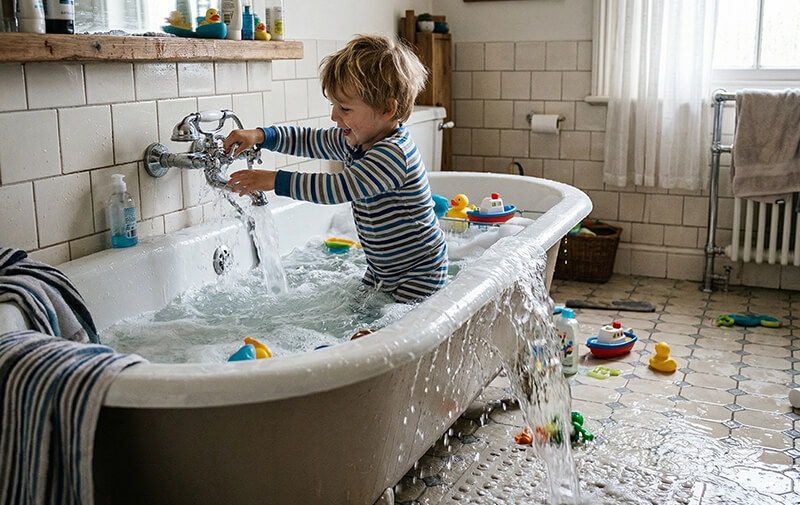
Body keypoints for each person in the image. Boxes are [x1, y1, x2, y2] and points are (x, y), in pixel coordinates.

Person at [223, 34, 448, 303]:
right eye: (333, 105)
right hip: (383, 270)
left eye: (345, 108)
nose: (334, 116)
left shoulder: (393, 154)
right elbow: (308, 140)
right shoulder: (358, 140)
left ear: (387, 109)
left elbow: (336, 188)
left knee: (392, 323)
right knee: (360, 314)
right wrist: (261, 136)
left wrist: (274, 180)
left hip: (419, 273)